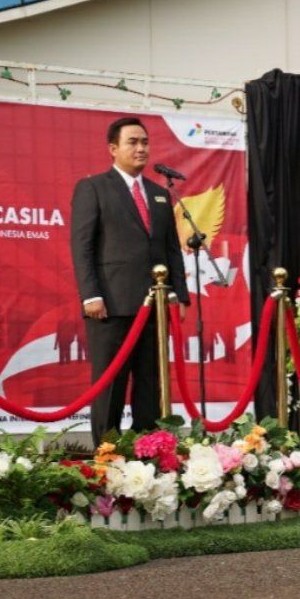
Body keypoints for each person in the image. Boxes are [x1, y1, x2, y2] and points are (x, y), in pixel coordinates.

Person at [71, 116, 188, 446]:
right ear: (113, 149)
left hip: (154, 307)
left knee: (150, 384)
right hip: (111, 305)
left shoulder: (159, 194)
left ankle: (148, 451)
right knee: (110, 385)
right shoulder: (93, 187)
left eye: (145, 142)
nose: (141, 148)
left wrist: (178, 294)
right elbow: (82, 246)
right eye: (132, 142)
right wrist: (90, 294)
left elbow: (170, 249)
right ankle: (107, 454)